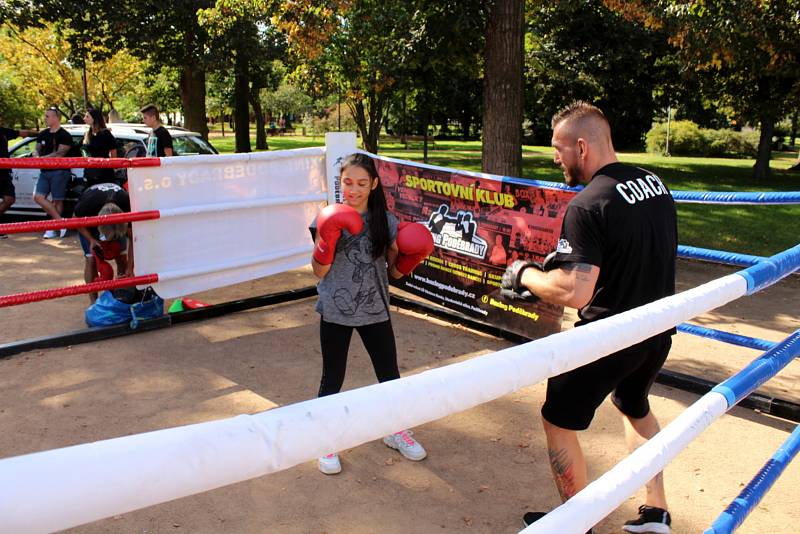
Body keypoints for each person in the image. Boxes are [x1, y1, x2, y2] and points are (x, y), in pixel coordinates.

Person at [502, 101, 677, 534]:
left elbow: (571, 290)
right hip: (656, 330)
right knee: (633, 406)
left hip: (609, 337)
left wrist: (525, 273)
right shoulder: (654, 183)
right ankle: (657, 513)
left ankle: (575, 525)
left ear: (582, 146)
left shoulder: (587, 204)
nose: (554, 157)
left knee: (556, 419)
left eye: (559, 148)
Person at [309, 153, 434, 475]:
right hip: (336, 309)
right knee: (332, 378)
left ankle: (396, 430)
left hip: (375, 308)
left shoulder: (386, 222)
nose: (353, 189)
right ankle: (326, 440)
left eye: (362, 183)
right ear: (340, 182)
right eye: (347, 182)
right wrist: (325, 240)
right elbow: (319, 272)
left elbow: (393, 274)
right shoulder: (324, 217)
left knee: (389, 375)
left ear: (374, 184)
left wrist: (410, 259)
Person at [73, 182, 133, 303]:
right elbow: (75, 219)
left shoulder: (127, 203)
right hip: (90, 219)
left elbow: (134, 239)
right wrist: (91, 239)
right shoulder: (87, 204)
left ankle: (121, 297)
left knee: (122, 257)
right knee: (91, 260)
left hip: (117, 216)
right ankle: (93, 302)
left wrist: (130, 268)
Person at [33, 106, 74, 239]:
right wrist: (36, 156)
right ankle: (61, 223)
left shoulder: (65, 135)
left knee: (57, 200)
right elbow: (36, 150)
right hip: (44, 171)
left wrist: (41, 159)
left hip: (60, 171)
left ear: (56, 118)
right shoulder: (43, 134)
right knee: (37, 197)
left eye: (47, 116)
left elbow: (60, 154)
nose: (45, 118)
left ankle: (51, 228)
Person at [0, 124, 36, 238]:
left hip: (4, 173)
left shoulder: (3, 130)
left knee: (9, 199)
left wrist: (41, 133)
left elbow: (22, 133)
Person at [82, 109, 118, 188]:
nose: (84, 118)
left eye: (87, 116)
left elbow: (113, 149)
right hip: (91, 170)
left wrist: (114, 165)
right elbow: (84, 150)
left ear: (94, 118)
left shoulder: (105, 133)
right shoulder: (88, 134)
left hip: (104, 170)